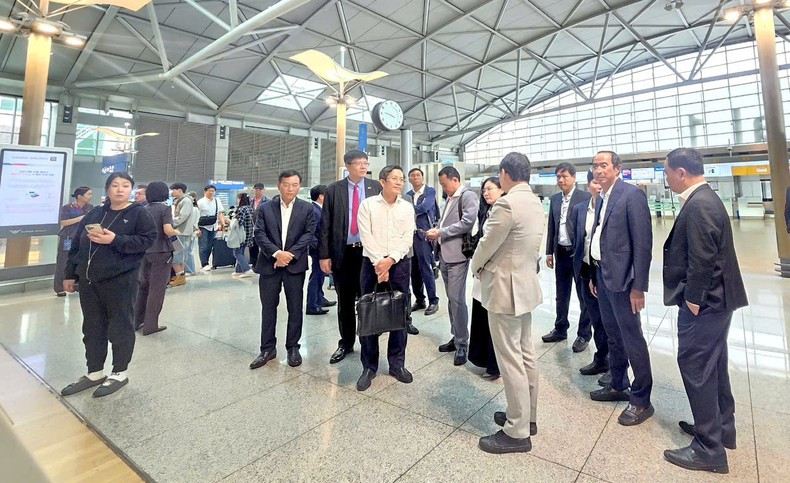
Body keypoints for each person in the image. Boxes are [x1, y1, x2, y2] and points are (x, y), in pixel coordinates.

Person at [662, 148, 748, 474]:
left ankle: (708, 449)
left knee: (695, 365)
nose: (666, 177)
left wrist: (693, 299)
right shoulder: (706, 198)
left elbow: (703, 256)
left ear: (681, 172)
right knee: (714, 364)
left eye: (667, 171)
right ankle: (721, 428)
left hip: (707, 303)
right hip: (719, 301)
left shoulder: (699, 204)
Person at [60, 172, 157, 398]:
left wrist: (115, 240)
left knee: (120, 326)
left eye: (125, 185)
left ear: (131, 190)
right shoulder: (95, 212)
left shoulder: (138, 214)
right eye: (115, 185)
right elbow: (77, 245)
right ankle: (94, 371)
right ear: (107, 189)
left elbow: (147, 240)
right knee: (92, 327)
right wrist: (70, 274)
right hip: (90, 281)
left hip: (121, 281)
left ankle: (119, 371)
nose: (120, 189)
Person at [471, 152, 544, 454]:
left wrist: (475, 266)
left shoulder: (507, 203)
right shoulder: (536, 202)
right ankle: (527, 417)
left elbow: (487, 244)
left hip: (505, 289)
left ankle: (515, 432)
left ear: (505, 174)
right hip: (525, 286)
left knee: (510, 358)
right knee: (526, 354)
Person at [588, 150, 655, 426]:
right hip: (602, 276)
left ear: (617, 167)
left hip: (624, 281)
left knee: (631, 337)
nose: (598, 170)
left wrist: (639, 287)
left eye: (603, 165)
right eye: (595, 166)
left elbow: (642, 244)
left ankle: (641, 400)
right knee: (612, 333)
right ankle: (618, 384)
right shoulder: (602, 197)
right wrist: (593, 272)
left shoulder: (631, 195)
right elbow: (600, 236)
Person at [355, 165, 416, 391]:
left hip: (399, 265)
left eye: (401, 179)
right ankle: (369, 366)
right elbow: (366, 236)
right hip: (371, 265)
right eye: (394, 179)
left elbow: (407, 238)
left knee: (399, 314)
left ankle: (397, 364)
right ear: (382, 181)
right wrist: (379, 262)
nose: (399, 183)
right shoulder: (368, 205)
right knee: (369, 313)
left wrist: (390, 261)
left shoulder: (407, 208)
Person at [319, 150, 382, 364]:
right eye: (359, 163)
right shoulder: (334, 190)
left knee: (368, 298)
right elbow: (325, 224)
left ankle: (368, 340)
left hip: (368, 253)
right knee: (344, 301)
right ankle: (346, 343)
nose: (364, 167)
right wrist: (324, 255)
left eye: (366, 163)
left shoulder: (375, 187)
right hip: (343, 253)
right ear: (348, 165)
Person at [250, 170, 316, 369]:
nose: (290, 188)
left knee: (295, 307)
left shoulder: (306, 208)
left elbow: (308, 233)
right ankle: (267, 348)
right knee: (268, 307)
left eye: (295, 185)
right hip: (269, 265)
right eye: (286, 184)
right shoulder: (265, 208)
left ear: (299, 186)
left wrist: (289, 255)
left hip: (295, 266)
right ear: (279, 185)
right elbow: (259, 233)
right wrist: (277, 253)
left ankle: (293, 347)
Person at [425, 166, 478, 366]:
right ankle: (456, 337)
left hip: (457, 256)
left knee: (457, 300)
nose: (443, 188)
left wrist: (441, 232)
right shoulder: (450, 198)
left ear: (455, 180)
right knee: (451, 300)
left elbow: (467, 222)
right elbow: (447, 222)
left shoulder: (468, 196)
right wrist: (437, 229)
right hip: (445, 255)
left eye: (445, 184)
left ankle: (463, 344)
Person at [542, 163, 592, 352]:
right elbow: (551, 227)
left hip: (578, 254)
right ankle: (560, 328)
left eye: (564, 176)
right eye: (558, 177)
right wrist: (549, 251)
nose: (560, 180)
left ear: (574, 177)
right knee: (561, 294)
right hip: (561, 253)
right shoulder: (554, 199)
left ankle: (583, 334)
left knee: (583, 296)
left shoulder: (585, 197)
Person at [568, 170, 609, 378]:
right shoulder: (579, 209)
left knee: (608, 319)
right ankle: (601, 358)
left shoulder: (609, 206)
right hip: (585, 268)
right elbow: (576, 237)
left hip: (604, 271)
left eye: (602, 180)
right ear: (588, 185)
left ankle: (614, 362)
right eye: (595, 181)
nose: (599, 185)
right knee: (594, 315)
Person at [468, 177, 503, 381]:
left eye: (490, 189)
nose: (486, 193)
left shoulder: (503, 212)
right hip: (481, 271)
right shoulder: (486, 212)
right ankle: (483, 359)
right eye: (484, 190)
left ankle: (495, 364)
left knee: (493, 321)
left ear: (501, 190)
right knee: (481, 315)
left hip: (494, 272)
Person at [134, 181, 179, 336]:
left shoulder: (143, 209)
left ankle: (136, 321)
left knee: (143, 287)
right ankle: (150, 325)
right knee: (157, 290)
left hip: (144, 251)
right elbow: (167, 230)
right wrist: (177, 232)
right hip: (161, 252)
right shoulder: (165, 208)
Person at [407, 168, 440, 324]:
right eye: (412, 176)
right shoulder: (407, 195)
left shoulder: (429, 191)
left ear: (422, 177)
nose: (415, 177)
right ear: (409, 179)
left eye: (417, 175)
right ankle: (420, 300)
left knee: (426, 268)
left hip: (424, 235)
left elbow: (425, 208)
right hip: (410, 236)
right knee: (413, 269)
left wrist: (407, 209)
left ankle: (434, 300)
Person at [55, 187, 94, 296]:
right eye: (88, 194)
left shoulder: (91, 208)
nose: (90, 196)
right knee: (63, 262)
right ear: (79, 196)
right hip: (68, 237)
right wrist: (81, 218)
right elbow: (64, 222)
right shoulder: (67, 208)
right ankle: (59, 288)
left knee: (82, 262)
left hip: (83, 238)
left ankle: (78, 285)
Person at [306, 185, 336, 315]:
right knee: (317, 276)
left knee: (320, 275)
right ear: (321, 196)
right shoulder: (314, 211)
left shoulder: (320, 209)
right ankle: (312, 304)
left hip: (322, 249)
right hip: (318, 249)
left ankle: (319, 298)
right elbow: (311, 233)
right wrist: (319, 248)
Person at [169, 182, 196, 287]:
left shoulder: (185, 201)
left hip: (181, 232)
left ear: (179, 190)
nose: (172, 192)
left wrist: (170, 223)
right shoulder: (182, 201)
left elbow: (182, 216)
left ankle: (180, 276)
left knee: (177, 254)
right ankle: (180, 276)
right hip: (181, 231)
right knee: (180, 254)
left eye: (173, 190)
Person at [197, 184, 228, 271]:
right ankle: (204, 263)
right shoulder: (200, 202)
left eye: (213, 191)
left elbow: (220, 213)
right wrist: (197, 228)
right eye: (209, 191)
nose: (211, 192)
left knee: (210, 245)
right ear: (205, 191)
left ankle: (206, 262)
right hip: (203, 226)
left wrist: (222, 223)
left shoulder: (217, 201)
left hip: (213, 226)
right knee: (203, 245)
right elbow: (196, 216)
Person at [231, 192, 255, 278]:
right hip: (249, 234)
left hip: (241, 235)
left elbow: (240, 222)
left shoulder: (241, 209)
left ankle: (247, 269)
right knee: (241, 251)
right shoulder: (250, 208)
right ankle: (239, 270)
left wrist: (234, 218)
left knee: (237, 253)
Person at [249, 182, 269, 270]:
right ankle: (254, 264)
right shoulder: (250, 201)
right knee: (252, 246)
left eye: (260, 190)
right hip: (251, 227)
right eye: (256, 189)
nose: (257, 191)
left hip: (263, 227)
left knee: (264, 245)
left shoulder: (268, 201)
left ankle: (264, 264)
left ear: (263, 190)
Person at [184, 191, 200, 276]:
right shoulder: (194, 209)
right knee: (188, 251)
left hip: (190, 232)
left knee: (188, 251)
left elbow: (195, 222)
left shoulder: (194, 209)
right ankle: (190, 269)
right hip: (191, 232)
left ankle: (190, 270)